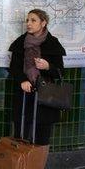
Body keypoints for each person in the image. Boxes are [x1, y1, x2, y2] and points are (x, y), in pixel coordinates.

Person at [8, 9, 66, 145]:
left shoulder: (52, 43)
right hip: (24, 93)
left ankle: (37, 164)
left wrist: (47, 66)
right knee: (21, 131)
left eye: (33, 20)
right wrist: (22, 80)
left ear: (43, 23)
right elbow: (14, 67)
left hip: (45, 95)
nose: (28, 23)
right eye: (27, 20)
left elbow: (60, 71)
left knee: (42, 133)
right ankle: (21, 164)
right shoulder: (20, 42)